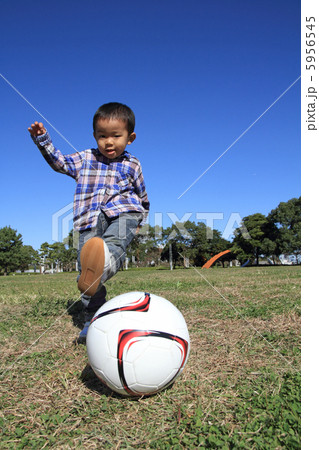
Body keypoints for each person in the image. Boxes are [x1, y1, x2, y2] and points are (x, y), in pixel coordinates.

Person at [28, 102, 149, 342]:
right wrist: (43, 141)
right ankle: (93, 318)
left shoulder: (132, 164)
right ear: (95, 136)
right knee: (86, 275)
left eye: (116, 136)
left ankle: (104, 263)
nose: (109, 142)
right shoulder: (85, 158)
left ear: (130, 137)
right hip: (88, 219)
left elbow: (142, 194)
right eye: (102, 136)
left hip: (125, 212)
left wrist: (140, 219)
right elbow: (60, 163)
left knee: (113, 244)